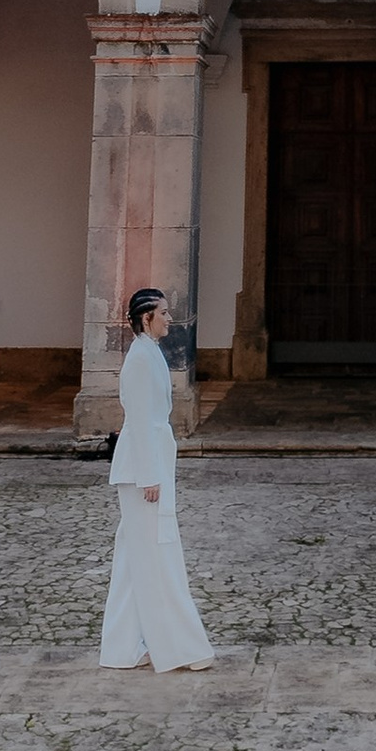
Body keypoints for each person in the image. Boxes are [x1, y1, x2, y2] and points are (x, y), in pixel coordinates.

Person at [99, 286, 215, 673]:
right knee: (156, 556)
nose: (170, 318)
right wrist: (150, 476)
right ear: (146, 317)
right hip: (142, 472)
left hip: (152, 462)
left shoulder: (151, 354)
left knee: (134, 559)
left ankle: (123, 647)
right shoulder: (139, 360)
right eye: (163, 312)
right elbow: (140, 421)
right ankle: (179, 647)